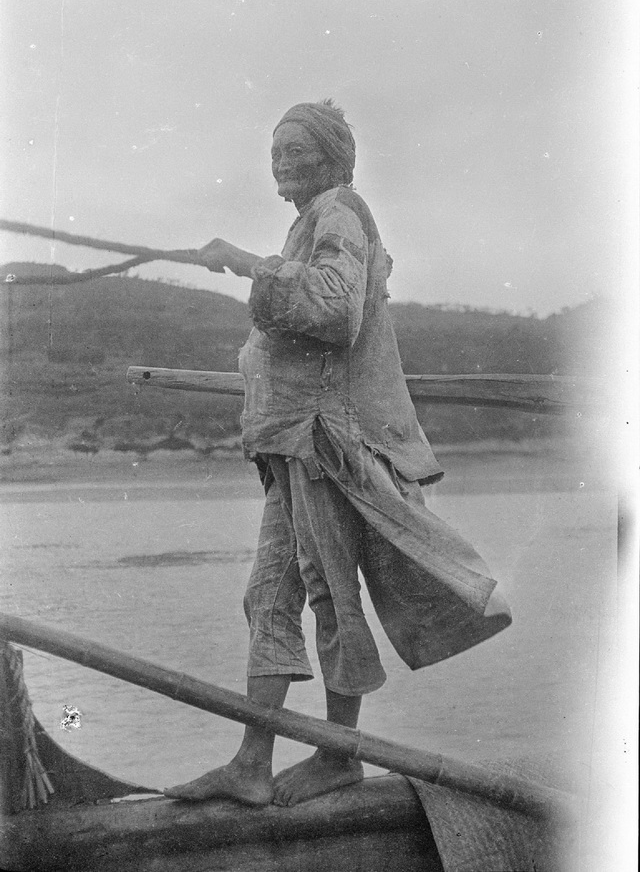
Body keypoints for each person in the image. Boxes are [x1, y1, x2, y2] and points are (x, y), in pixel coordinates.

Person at [165, 99, 511, 808]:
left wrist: (248, 264)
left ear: (331, 159)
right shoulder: (310, 224)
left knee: (327, 593)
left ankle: (336, 757)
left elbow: (333, 308)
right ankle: (252, 762)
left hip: (326, 445)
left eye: (297, 150)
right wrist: (255, 276)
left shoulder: (340, 211)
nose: (283, 163)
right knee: (270, 594)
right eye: (276, 152)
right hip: (293, 446)